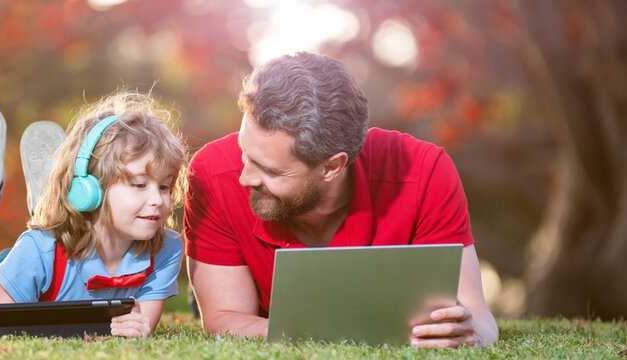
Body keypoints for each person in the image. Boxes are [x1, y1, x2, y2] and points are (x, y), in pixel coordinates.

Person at [183, 52, 499, 348]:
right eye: (244, 152)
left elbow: (479, 320)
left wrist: (468, 332)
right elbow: (224, 318)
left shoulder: (425, 172)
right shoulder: (213, 173)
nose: (245, 177)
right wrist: (322, 333)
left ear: (332, 167)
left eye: (269, 170)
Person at [0, 90, 186, 339]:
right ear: (89, 189)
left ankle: (44, 207)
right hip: (5, 281)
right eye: (139, 185)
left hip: (47, 265)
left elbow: (142, 325)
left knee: (45, 244)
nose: (158, 200)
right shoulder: (36, 250)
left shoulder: (166, 248)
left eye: (164, 186)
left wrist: (138, 329)